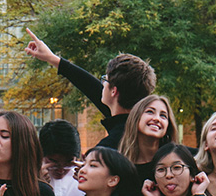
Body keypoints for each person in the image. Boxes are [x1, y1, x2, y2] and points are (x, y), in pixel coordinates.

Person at [25, 28, 156, 148]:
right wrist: (53, 59)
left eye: (105, 80)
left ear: (113, 91)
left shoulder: (109, 147)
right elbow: (90, 86)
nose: (102, 85)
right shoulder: (144, 131)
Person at [118, 94, 179, 185]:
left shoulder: (180, 164)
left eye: (163, 116)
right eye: (150, 112)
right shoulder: (118, 165)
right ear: (136, 118)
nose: (157, 119)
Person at [39, 119, 85, 196]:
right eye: (53, 162)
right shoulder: (27, 179)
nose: (61, 170)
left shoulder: (85, 176)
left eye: (68, 162)